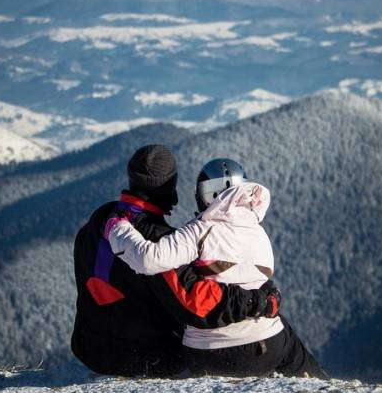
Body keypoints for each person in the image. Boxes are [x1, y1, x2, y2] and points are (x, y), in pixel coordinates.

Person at [71, 145, 281, 377]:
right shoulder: (158, 239)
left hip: (87, 346)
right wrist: (259, 299)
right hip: (140, 356)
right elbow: (198, 301)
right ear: (168, 186)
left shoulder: (102, 217)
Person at [105, 158, 326, 378]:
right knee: (289, 341)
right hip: (268, 347)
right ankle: (323, 387)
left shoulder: (198, 231)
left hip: (208, 355)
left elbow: (148, 259)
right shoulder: (258, 233)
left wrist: (117, 228)